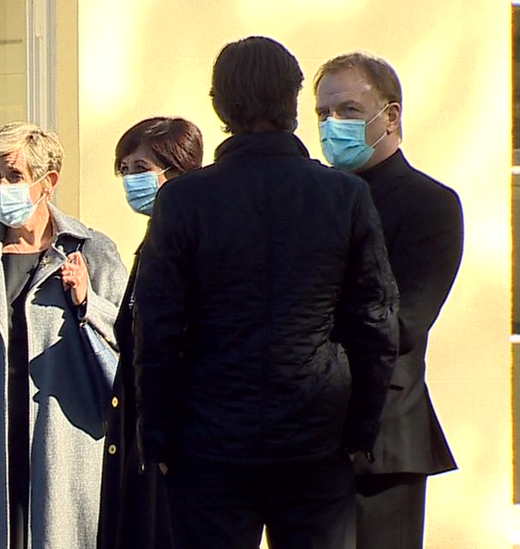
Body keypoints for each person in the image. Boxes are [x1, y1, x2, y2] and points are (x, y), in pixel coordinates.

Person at [133, 36, 400, 549]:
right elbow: (375, 322)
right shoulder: (343, 195)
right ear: (294, 102)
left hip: (208, 439)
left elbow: (159, 328)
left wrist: (159, 436)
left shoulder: (185, 201)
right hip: (315, 437)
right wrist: (359, 430)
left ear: (220, 107)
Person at [0, 121, 127, 548]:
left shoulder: (92, 252)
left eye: (14, 175)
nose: (3, 186)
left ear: (48, 182)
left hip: (64, 454)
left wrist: (88, 302)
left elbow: (128, 348)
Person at [314, 51, 464, 549]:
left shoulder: (430, 204)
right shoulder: (314, 200)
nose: (332, 124)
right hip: (305, 440)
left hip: (383, 443)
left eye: (349, 111)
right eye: (322, 114)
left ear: (390, 116)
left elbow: (402, 324)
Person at [97, 116, 204, 549]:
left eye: (140, 169)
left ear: (176, 171)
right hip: (138, 438)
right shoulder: (152, 240)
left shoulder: (191, 242)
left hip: (174, 444)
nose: (130, 181)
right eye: (124, 170)